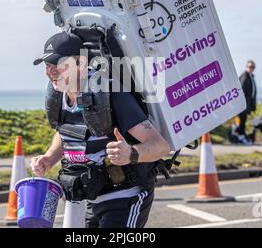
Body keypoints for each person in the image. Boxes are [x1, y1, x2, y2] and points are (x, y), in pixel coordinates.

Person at [30, 32, 171, 228]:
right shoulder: (59, 94)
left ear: (80, 62)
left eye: (58, 64)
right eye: (47, 65)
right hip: (92, 199)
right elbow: (66, 131)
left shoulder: (108, 93)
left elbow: (160, 146)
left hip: (125, 197)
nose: (51, 71)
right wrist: (49, 158)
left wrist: (131, 154)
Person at [236, 60, 257, 145]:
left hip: (247, 104)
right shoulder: (245, 77)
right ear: (246, 67)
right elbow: (242, 91)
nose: (250, 68)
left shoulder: (250, 76)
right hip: (243, 104)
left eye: (252, 67)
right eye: (249, 67)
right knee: (242, 121)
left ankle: (241, 135)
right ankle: (240, 136)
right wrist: (243, 104)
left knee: (243, 121)